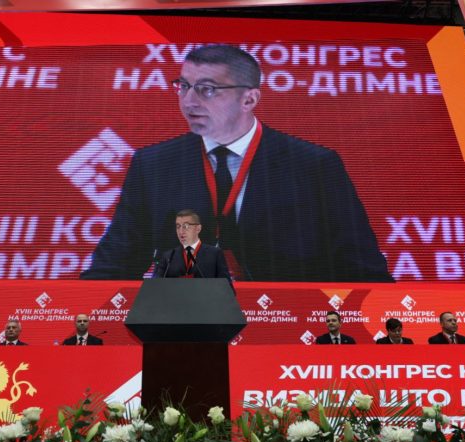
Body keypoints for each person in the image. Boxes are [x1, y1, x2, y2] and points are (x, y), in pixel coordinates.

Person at [81, 44, 392, 282]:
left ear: (249, 100)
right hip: (182, 321)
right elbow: (116, 260)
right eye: (183, 86)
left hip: (285, 321)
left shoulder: (314, 166)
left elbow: (361, 265)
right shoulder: (153, 164)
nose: (188, 101)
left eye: (206, 89)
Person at [154, 209, 232, 282]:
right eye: (178, 226)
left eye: (186, 226)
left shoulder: (215, 254)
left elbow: (226, 287)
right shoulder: (168, 256)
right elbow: (157, 287)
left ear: (198, 228)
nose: (181, 231)